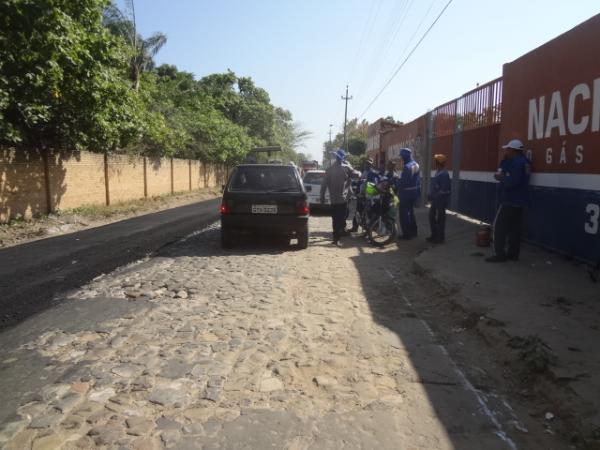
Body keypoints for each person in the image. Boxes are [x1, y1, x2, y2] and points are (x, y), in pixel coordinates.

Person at [486, 139, 531, 262]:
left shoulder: (516, 163)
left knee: (498, 227)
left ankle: (499, 254)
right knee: (514, 229)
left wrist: (501, 178)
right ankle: (513, 253)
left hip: (509, 200)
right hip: (520, 201)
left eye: (508, 149)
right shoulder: (525, 162)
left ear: (514, 150)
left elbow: (513, 182)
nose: (506, 151)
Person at [321, 149, 352, 246]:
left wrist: (322, 198)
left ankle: (337, 236)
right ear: (342, 159)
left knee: (336, 219)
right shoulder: (346, 168)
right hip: (342, 199)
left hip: (335, 200)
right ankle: (337, 237)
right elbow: (354, 176)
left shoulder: (330, 169)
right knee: (340, 219)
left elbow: (324, 185)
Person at [395, 148, 421, 239]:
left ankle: (407, 234)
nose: (401, 158)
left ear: (405, 156)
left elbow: (404, 183)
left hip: (406, 194)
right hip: (414, 193)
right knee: (411, 213)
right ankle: (414, 231)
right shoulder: (416, 164)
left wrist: (397, 183)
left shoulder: (407, 167)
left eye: (402, 156)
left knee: (404, 214)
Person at [427, 154, 451, 244]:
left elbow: (443, 190)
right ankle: (434, 235)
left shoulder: (444, 174)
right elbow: (436, 187)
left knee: (440, 218)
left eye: (436, 161)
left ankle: (440, 237)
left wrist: (434, 196)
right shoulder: (438, 172)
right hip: (436, 199)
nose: (434, 162)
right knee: (431, 216)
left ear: (439, 163)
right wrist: (431, 194)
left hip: (441, 199)